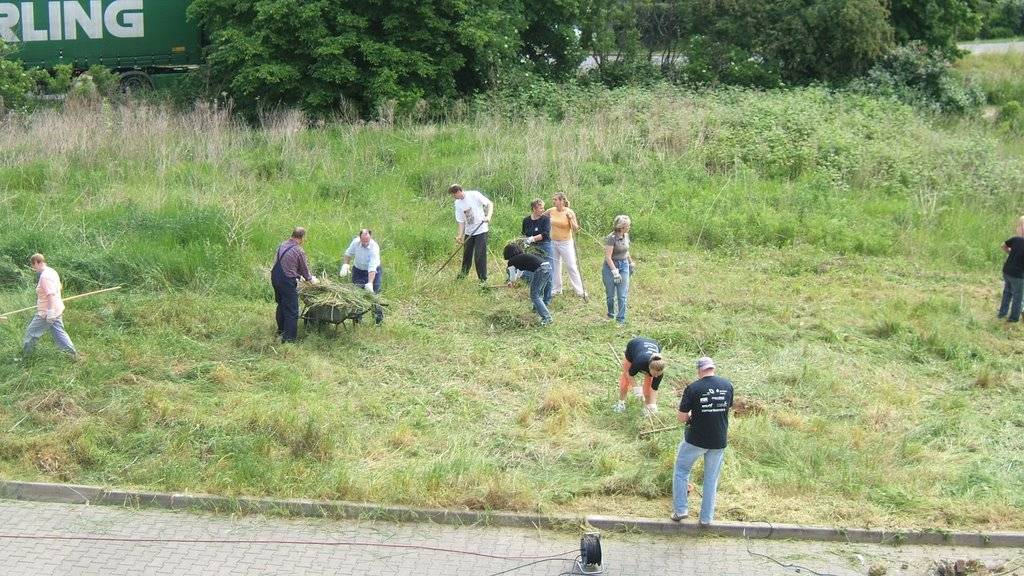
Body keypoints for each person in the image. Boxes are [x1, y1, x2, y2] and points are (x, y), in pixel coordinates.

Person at [672, 357, 734, 526]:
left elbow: (681, 418)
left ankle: (681, 510)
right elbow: (726, 408)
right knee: (711, 479)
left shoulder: (693, 388)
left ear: (699, 370)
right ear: (713, 368)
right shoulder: (728, 385)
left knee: (681, 471)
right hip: (718, 440)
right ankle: (706, 519)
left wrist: (691, 415)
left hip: (695, 439)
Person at [20, 254, 78, 361]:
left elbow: (50, 294)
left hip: (46, 312)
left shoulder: (45, 277)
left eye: (33, 266)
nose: (34, 268)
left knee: (31, 333)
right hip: (57, 308)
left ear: (37, 262)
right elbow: (59, 287)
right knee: (59, 332)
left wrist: (50, 312)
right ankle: (72, 354)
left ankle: (26, 358)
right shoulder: (52, 271)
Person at [271, 227, 316, 343]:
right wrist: (311, 279)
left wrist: (297, 274)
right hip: (286, 281)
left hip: (275, 277)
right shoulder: (298, 250)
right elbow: (304, 269)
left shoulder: (281, 245)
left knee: (281, 304)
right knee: (292, 309)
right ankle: (289, 339)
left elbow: (283, 262)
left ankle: (281, 331)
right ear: (302, 237)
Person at [450, 184, 494, 282]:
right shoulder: (457, 203)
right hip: (469, 232)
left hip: (481, 230)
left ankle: (483, 280)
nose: (454, 197)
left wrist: (488, 217)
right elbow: (461, 221)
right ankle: (463, 275)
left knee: (479, 256)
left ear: (458, 191)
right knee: (467, 255)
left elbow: (490, 204)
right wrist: (460, 235)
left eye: (454, 195)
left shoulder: (474, 194)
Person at [546, 192, 586, 298]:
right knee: (555, 265)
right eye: (553, 199)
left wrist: (570, 219)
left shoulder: (569, 212)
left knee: (571, 265)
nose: (554, 201)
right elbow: (542, 217)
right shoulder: (551, 211)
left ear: (562, 201)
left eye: (556, 199)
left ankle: (580, 290)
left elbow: (576, 229)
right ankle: (557, 289)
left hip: (566, 242)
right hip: (553, 242)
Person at [340, 228, 384, 324]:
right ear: (360, 238)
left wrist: (370, 283)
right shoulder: (355, 242)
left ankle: (378, 321)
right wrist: (345, 265)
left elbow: (372, 267)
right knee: (357, 294)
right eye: (363, 241)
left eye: (367, 241)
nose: (365, 243)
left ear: (370, 237)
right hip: (358, 271)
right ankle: (357, 320)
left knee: (374, 295)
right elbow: (348, 254)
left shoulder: (374, 247)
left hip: (373, 272)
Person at [613, 337, 666, 415]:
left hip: (652, 344)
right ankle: (621, 403)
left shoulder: (658, 372)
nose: (656, 376)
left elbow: (654, 388)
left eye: (658, 374)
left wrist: (653, 404)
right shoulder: (639, 362)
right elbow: (629, 374)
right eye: (654, 374)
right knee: (626, 380)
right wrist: (637, 389)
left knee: (648, 386)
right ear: (649, 368)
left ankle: (648, 408)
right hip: (634, 345)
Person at [503, 243, 553, 326]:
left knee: (534, 295)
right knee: (539, 293)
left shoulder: (511, 261)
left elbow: (512, 277)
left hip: (540, 270)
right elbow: (519, 273)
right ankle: (536, 311)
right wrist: (514, 281)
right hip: (547, 267)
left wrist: (511, 282)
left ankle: (547, 318)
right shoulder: (521, 258)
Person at [602, 215, 634, 325]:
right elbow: (608, 257)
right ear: (622, 227)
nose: (629, 227)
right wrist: (614, 271)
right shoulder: (611, 238)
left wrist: (630, 262)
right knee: (610, 295)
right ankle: (611, 314)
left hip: (624, 265)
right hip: (610, 267)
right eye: (628, 225)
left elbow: (626, 251)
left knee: (622, 295)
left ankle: (621, 319)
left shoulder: (626, 236)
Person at [998, 215, 1024, 323]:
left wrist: (1010, 252)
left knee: (1007, 292)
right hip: (1018, 275)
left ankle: (1002, 313)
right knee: (1018, 297)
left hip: (1007, 271)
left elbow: (1003, 245)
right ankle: (1013, 318)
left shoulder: (1015, 239)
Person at [522, 198, 552, 265]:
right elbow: (524, 233)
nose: (543, 210)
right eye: (541, 208)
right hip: (532, 247)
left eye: (543, 208)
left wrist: (532, 239)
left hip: (545, 245)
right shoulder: (526, 220)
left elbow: (546, 234)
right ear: (534, 209)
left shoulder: (546, 219)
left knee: (548, 266)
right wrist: (524, 241)